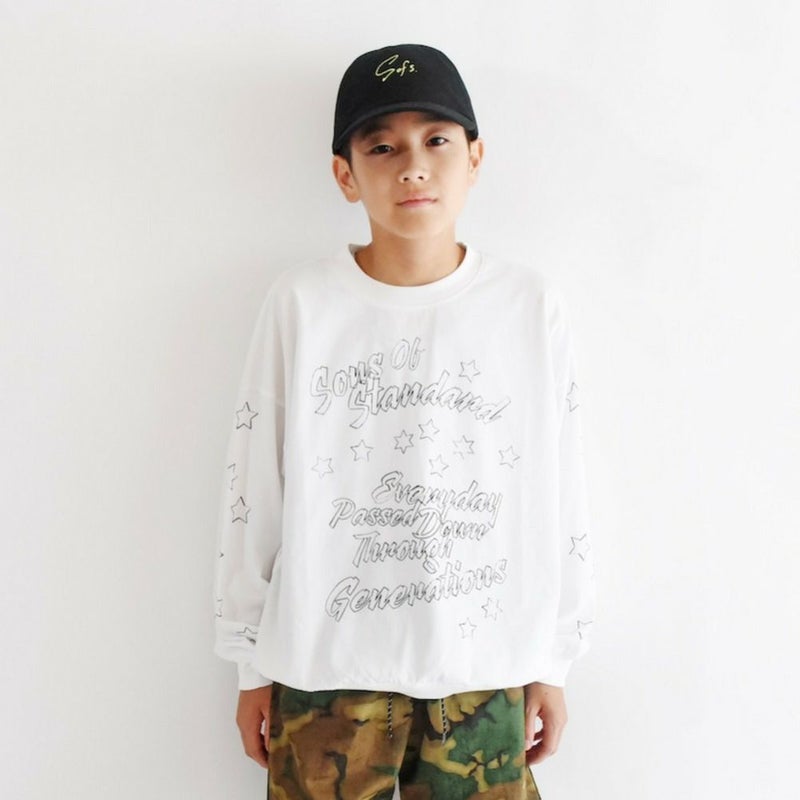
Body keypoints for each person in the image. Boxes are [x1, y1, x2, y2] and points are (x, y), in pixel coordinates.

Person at [213, 43, 596, 800]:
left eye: (436, 140)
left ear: (475, 157)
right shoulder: (303, 304)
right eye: (382, 147)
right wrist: (249, 661)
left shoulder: (527, 306)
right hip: (324, 672)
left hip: (482, 673)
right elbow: (254, 486)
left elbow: (561, 487)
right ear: (345, 174)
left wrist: (553, 659)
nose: (413, 167)